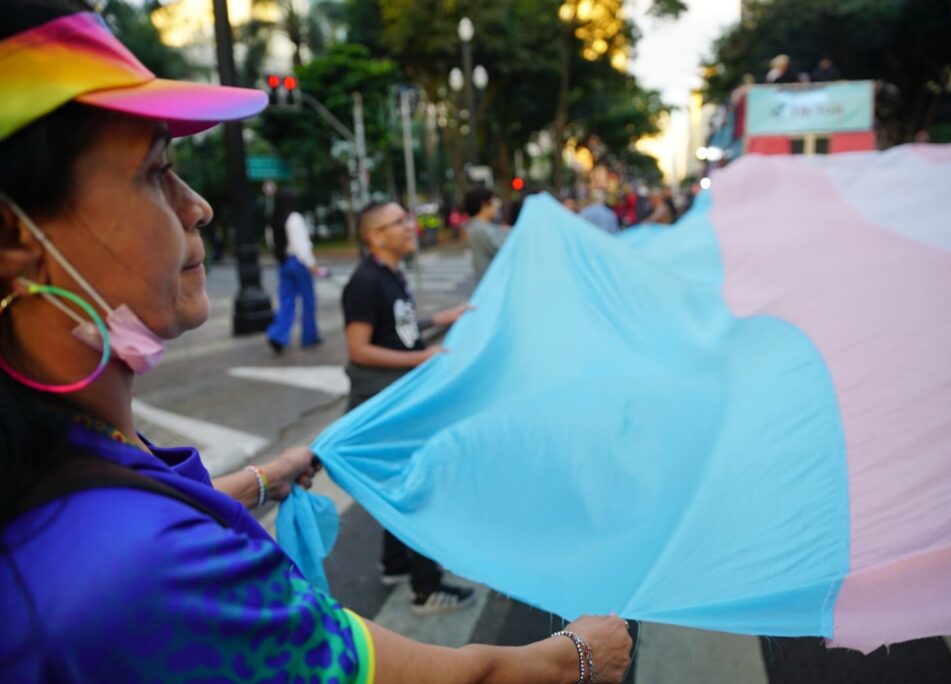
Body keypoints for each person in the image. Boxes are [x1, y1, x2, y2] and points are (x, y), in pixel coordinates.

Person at [0, 4, 634, 682]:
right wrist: (581, 656)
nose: (197, 206)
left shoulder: (64, 458)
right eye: (156, 171)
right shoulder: (147, 573)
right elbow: (454, 678)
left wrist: (261, 481)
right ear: (15, 239)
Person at [342, 200, 479, 613]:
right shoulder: (365, 282)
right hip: (385, 401)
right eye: (398, 221)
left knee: (399, 483)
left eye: (407, 218)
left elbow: (398, 328)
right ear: (375, 236)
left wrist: (442, 317)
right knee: (419, 485)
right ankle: (426, 588)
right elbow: (359, 349)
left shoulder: (391, 276)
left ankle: (395, 563)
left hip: (399, 397)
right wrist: (422, 358)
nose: (410, 225)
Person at [266, 188, 322, 353]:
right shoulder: (294, 218)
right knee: (308, 300)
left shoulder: (273, 219)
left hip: (283, 262)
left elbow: (272, 243)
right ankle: (309, 336)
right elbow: (301, 245)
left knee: (286, 301)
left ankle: (278, 334)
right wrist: (311, 264)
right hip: (298, 262)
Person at [463, 186, 508, 285]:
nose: (497, 205)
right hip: (491, 285)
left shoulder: (477, 226)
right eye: (494, 201)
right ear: (484, 205)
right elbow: (504, 250)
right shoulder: (480, 230)